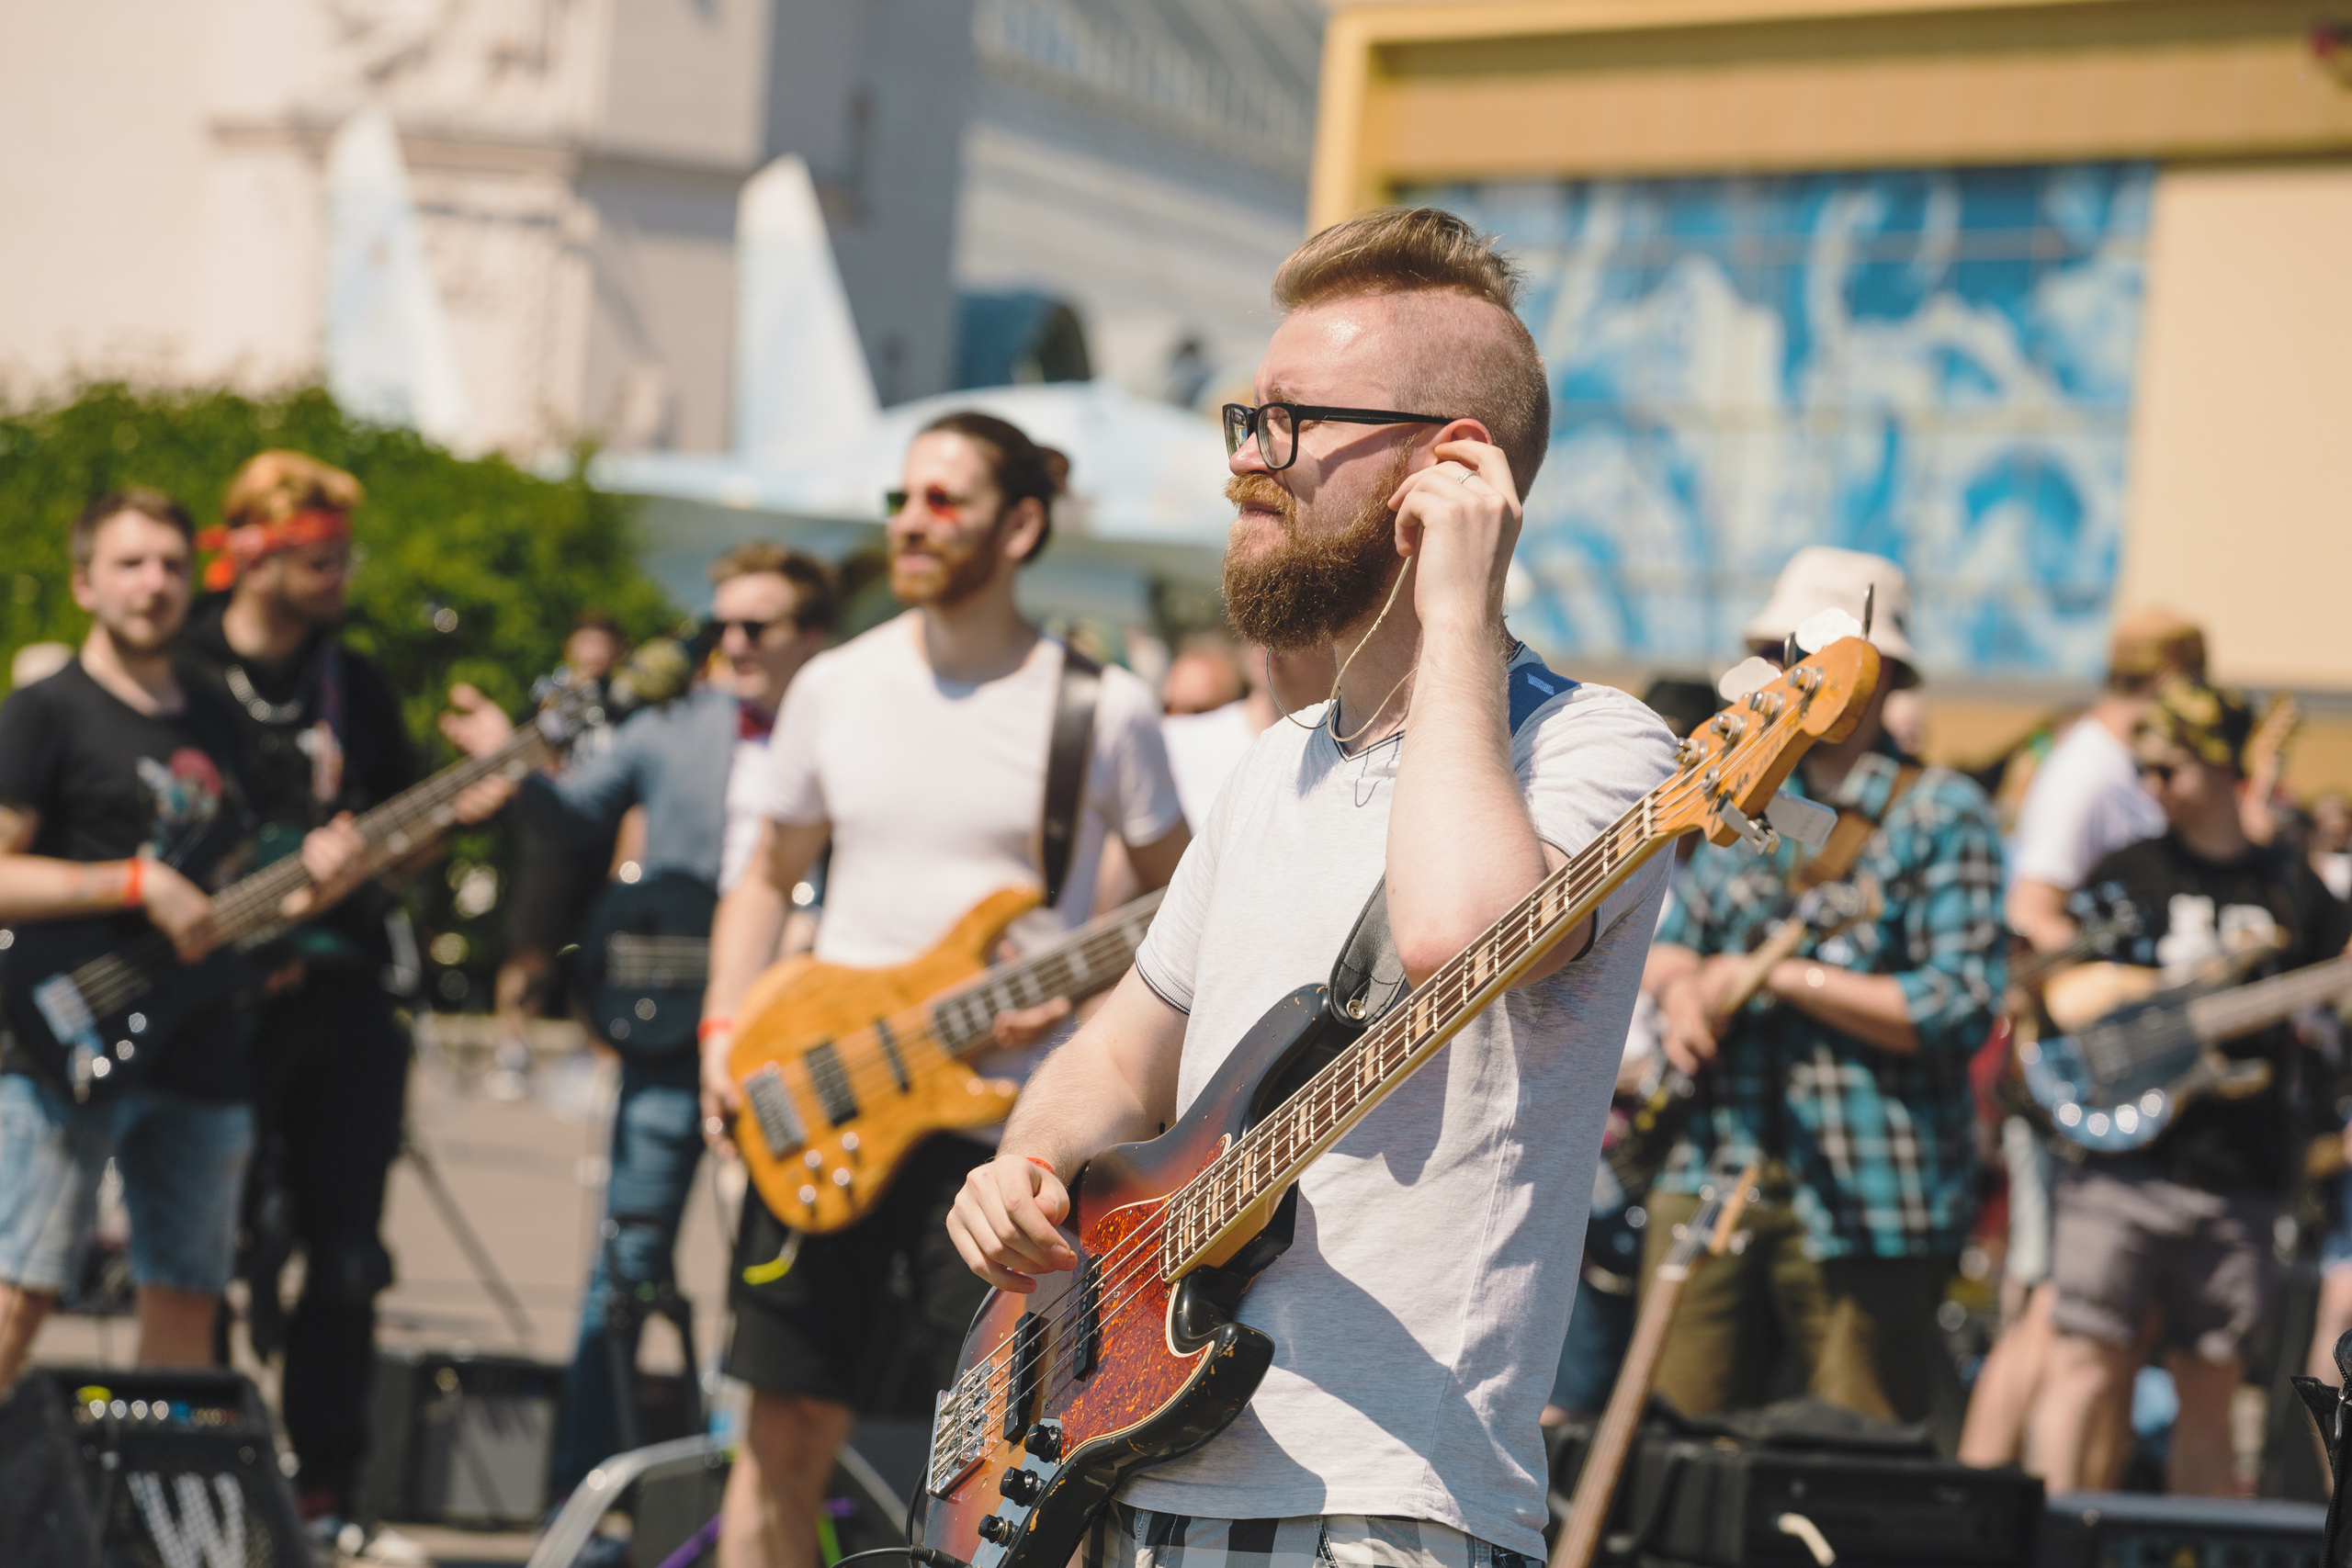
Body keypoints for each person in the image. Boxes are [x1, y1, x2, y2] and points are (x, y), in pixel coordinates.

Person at [952, 208, 1676, 1568]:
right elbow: (1119, 1054)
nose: (1245, 457)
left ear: (1450, 466)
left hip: (1380, 1500)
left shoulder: (1594, 747)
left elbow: (1456, 931)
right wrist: (1025, 1163)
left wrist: (1458, 607)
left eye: (1288, 421)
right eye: (1247, 416)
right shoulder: (1275, 762)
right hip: (1136, 1474)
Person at [698, 412, 1191, 1568]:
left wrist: (1086, 1002)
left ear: (1018, 526)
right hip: (824, 1101)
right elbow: (766, 875)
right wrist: (723, 1030)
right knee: (779, 1432)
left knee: (1004, 1466)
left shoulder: (1101, 707)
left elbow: (1186, 907)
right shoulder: (836, 684)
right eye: (902, 499)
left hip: (1003, 1143)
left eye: (943, 501)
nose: (910, 524)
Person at [441, 543, 837, 1499]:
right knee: (626, 1262)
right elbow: (572, 810)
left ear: (813, 636)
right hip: (674, 1036)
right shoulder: (674, 723)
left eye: (758, 625)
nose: (732, 642)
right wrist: (513, 764)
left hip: (806, 1042)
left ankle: (763, 1498)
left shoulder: (852, 732)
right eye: (721, 624)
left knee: (789, 1278)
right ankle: (590, 1495)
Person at [176, 449, 507, 1545]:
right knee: (207, 1247)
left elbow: (401, 840)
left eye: (343, 556)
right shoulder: (184, 668)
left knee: (349, 1255)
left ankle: (326, 1487)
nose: (339, 576)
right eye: (319, 557)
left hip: (343, 991)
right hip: (214, 1003)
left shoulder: (351, 683)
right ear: (253, 553)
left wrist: (450, 817)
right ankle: (206, 1465)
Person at [0, 490, 366, 1390]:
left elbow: (239, 893)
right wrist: (133, 881)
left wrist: (318, 884)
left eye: (170, 564)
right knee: (19, 1294)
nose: (154, 584)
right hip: (61, 1036)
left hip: (199, 1047)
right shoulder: (46, 711)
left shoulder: (216, 714)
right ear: (85, 584)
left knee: (189, 1301)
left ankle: (154, 1481)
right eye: (129, 564)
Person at [1643, 547, 2006, 1425]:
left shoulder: (1942, 811)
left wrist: (1786, 978)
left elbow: (1958, 1004)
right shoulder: (1744, 789)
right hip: (1716, 1168)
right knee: (1676, 1448)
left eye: (1805, 655)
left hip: (1873, 1192)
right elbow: (1673, 949)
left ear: (1873, 673)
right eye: (1779, 656)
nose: (1787, 675)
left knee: (1854, 1456)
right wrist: (1685, 997)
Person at [2030, 677, 2352, 1495]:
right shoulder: (2128, 872)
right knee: (2085, 1367)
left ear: (2217, 765)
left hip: (2238, 1174)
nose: (2151, 786)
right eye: (2143, 769)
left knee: (2210, 1389)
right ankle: (2048, 1541)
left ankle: (2195, 1546)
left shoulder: (2290, 887)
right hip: (2119, 1166)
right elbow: (2056, 988)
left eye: (2168, 769)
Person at [1959, 606, 2203, 1469]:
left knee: (2083, 1317)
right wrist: (2126, 999)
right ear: (2169, 678)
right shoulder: (2089, 767)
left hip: (2102, 1072)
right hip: (2065, 1069)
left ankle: (2053, 1509)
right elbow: (2033, 911)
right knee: (2046, 1304)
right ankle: (1979, 1502)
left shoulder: (2110, 762)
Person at [489, 612, 629, 1098]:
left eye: (601, 644)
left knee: (600, 952)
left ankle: (596, 1055)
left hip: (605, 840)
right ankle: (512, 1049)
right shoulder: (551, 695)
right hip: (551, 839)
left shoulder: (626, 702)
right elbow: (528, 758)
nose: (592, 654)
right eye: (585, 643)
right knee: (531, 946)